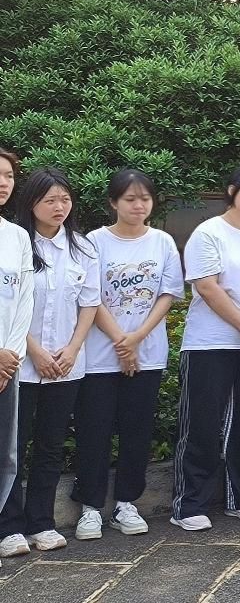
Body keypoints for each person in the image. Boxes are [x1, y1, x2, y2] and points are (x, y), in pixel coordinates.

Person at [74, 170, 184, 540]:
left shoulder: (162, 241)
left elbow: (167, 295)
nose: (139, 206)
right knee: (95, 430)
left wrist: (136, 339)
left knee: (137, 430)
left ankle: (126, 503)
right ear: (113, 202)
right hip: (99, 356)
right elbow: (91, 296)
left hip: (147, 353)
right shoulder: (94, 242)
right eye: (130, 199)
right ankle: (90, 507)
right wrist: (122, 341)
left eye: (145, 199)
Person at [171, 164, 240, 531]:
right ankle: (189, 504)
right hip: (210, 342)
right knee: (201, 423)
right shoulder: (209, 233)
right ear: (232, 191)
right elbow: (206, 286)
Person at [0, 168, 101, 555]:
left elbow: (89, 304)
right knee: (12, 446)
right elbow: (17, 304)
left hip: (66, 365)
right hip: (21, 364)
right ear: (32, 203)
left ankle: (42, 522)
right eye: (50, 200)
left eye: (65, 199)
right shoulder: (17, 243)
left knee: (51, 445)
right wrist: (35, 352)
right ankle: (9, 526)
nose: (59, 207)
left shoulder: (82, 248)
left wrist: (72, 349)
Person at [0, 149, 33, 518]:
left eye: (9, 175)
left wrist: (9, 356)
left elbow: (24, 299)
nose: (3, 183)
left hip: (7, 366)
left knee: (4, 454)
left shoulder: (17, 237)